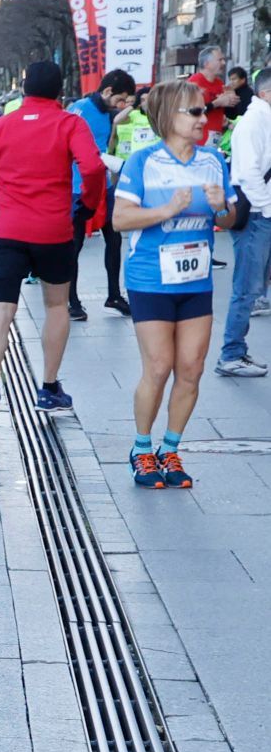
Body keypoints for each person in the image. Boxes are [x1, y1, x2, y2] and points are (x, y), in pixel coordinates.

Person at [0, 61, 106, 425]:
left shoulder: (2, 125)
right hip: (53, 230)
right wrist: (87, 204)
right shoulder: (70, 123)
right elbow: (91, 167)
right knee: (57, 305)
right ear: (60, 92)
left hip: (8, 229)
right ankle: (48, 387)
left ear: (24, 89)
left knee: (0, 308)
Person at [112, 79, 235, 488]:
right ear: (169, 117)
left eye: (203, 111)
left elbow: (231, 219)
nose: (204, 119)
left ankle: (171, 449)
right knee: (159, 366)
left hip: (196, 280)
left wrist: (222, 208)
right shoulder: (143, 162)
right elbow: (120, 220)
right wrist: (166, 209)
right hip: (150, 278)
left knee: (191, 369)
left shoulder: (213, 160)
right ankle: (141, 448)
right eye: (195, 112)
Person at [67, 68, 138, 319]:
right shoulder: (79, 110)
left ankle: (114, 295)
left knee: (114, 237)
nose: (121, 105)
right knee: (74, 245)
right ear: (107, 91)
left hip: (104, 184)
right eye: (120, 99)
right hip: (77, 187)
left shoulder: (109, 114)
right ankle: (71, 300)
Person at [217, 67, 271, 378]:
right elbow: (249, 173)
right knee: (246, 288)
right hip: (254, 215)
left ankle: (237, 350)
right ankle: (231, 354)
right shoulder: (254, 122)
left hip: (259, 212)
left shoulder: (261, 118)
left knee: (252, 286)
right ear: (265, 93)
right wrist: (266, 208)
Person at [190, 46, 240, 143]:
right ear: (207, 64)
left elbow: (232, 115)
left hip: (215, 139)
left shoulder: (220, 84)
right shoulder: (193, 83)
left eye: (223, 60)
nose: (223, 63)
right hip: (196, 140)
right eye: (220, 60)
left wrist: (232, 100)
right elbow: (192, 112)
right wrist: (217, 103)